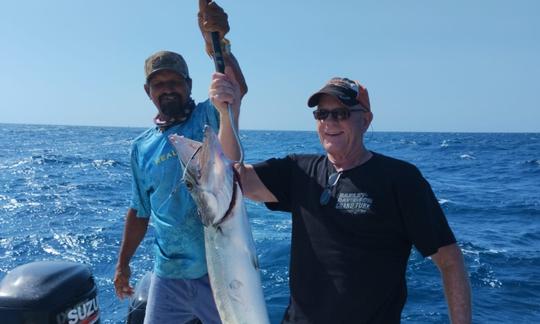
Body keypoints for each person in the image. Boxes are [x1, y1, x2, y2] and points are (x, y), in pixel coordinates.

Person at [237, 77, 472, 323]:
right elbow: (232, 181)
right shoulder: (298, 171)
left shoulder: (400, 179)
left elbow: (450, 261)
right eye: (322, 114)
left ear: (366, 120)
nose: (329, 122)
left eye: (341, 113)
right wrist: (230, 110)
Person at [113, 1, 247, 323]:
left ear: (189, 85)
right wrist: (123, 263)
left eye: (176, 82)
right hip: (167, 275)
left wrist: (219, 47)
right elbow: (140, 209)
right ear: (148, 91)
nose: (168, 89)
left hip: (216, 271)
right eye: (159, 84)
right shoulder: (140, 147)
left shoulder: (208, 117)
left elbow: (236, 89)